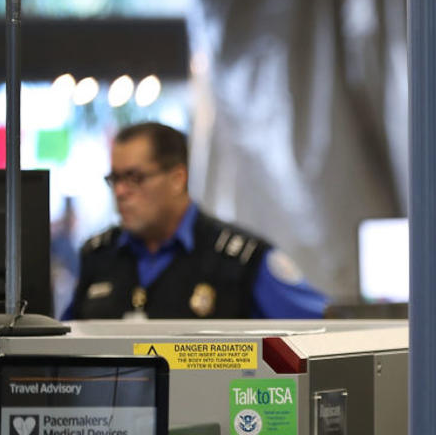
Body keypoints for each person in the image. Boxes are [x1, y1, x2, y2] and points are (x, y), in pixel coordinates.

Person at [63, 122, 327, 320]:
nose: (120, 192)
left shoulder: (240, 259)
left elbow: (322, 329)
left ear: (178, 179)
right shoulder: (98, 257)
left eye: (135, 178)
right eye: (115, 180)